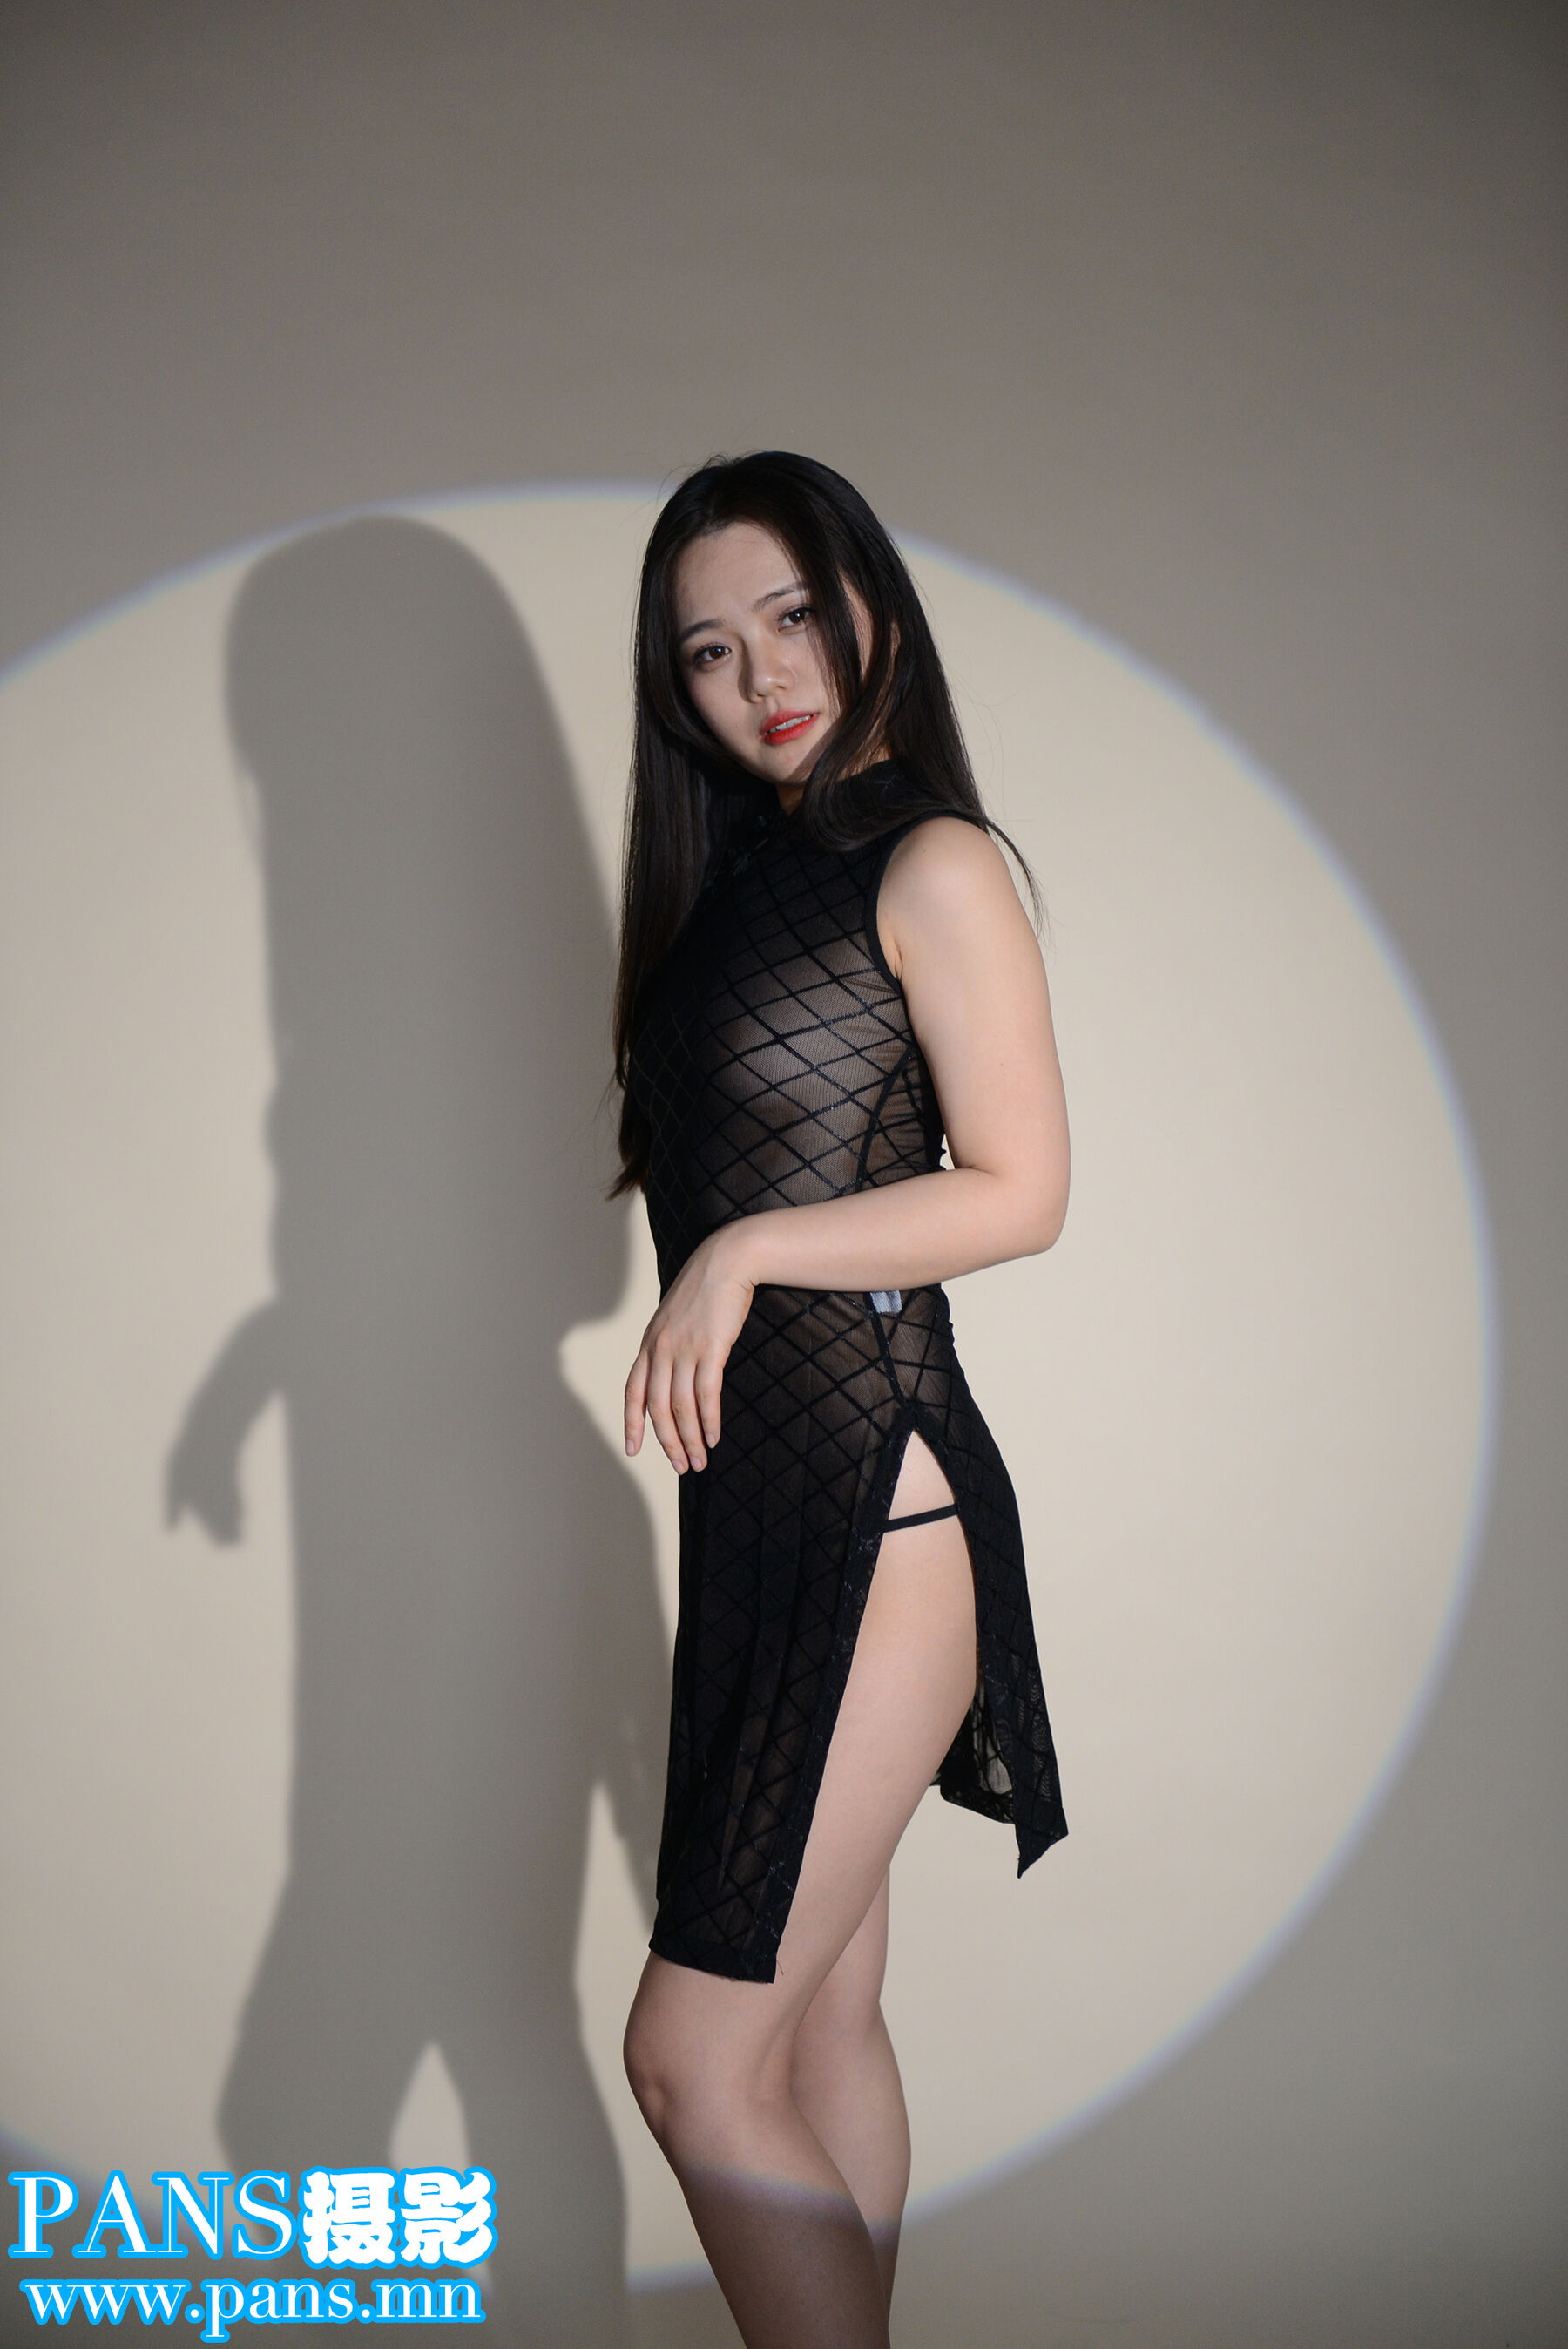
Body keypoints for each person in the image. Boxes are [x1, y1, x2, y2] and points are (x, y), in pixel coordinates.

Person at [611, 451, 1070, 2348]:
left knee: (691, 2059)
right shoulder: (726, 891)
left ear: (872, 602)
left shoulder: (932, 861)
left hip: (882, 1504)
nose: (763, 675)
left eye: (794, 615)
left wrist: (740, 1253)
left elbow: (1021, 1189)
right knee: (821, 2027)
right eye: (710, 650)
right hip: (753, 1516)